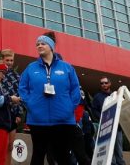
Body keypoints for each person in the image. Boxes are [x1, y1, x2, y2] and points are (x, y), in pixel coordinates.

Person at [19, 31, 80, 165]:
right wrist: (30, 105)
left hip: (63, 120)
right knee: (38, 155)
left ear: (51, 46)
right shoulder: (31, 68)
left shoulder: (67, 67)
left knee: (63, 156)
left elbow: (75, 90)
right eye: (37, 44)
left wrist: (69, 108)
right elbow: (22, 88)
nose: (39, 46)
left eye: (43, 44)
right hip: (38, 120)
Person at [91, 76, 124, 165]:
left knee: (119, 153)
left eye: (105, 83)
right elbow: (94, 110)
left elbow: (122, 108)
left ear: (109, 83)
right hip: (105, 129)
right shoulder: (97, 97)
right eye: (102, 83)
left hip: (117, 127)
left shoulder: (116, 95)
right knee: (109, 154)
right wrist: (102, 118)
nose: (104, 84)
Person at [0, 49, 24, 146]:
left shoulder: (17, 76)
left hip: (13, 113)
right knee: (1, 144)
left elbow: (20, 95)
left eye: (11, 60)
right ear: (2, 60)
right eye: (7, 60)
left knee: (10, 145)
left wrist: (18, 114)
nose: (9, 62)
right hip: (0, 112)